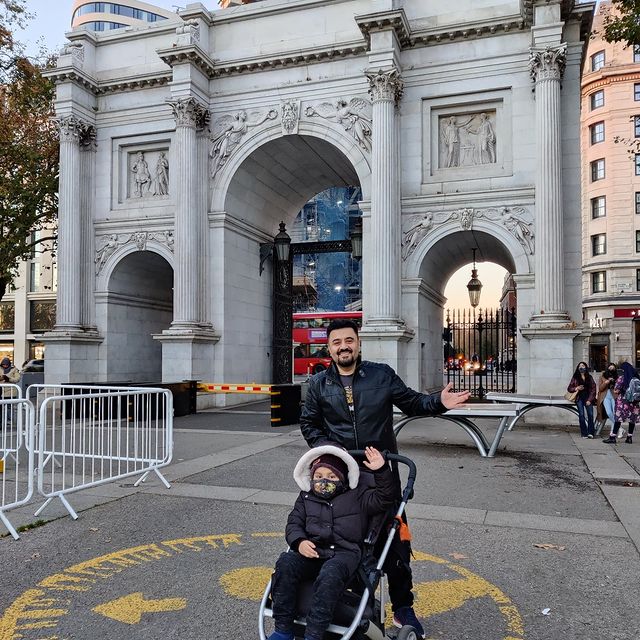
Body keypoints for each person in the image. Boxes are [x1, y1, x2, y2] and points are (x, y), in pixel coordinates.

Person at [299, 318, 469, 638]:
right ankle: (349, 600)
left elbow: (412, 401)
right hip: (343, 476)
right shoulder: (319, 384)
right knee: (344, 539)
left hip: (382, 473)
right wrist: (336, 452)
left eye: (349, 340)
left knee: (396, 544)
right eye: (337, 342)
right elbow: (310, 425)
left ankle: (403, 606)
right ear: (330, 347)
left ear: (358, 343)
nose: (344, 346)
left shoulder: (381, 375)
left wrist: (439, 403)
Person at [268, 445, 395, 640]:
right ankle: (283, 629)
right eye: (318, 476)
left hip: (344, 554)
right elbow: (294, 523)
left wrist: (381, 470)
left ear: (343, 478)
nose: (324, 481)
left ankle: (314, 634)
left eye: (332, 476)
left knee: (331, 573)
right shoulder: (306, 496)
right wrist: (299, 541)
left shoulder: (358, 496)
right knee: (285, 563)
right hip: (312, 551)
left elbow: (385, 498)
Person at [602, 362, 639, 445]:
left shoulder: (622, 378)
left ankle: (612, 437)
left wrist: (619, 390)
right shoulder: (636, 377)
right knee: (632, 420)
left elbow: (616, 390)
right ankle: (629, 438)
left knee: (618, 419)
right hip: (634, 403)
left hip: (623, 402)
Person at [566, 362, 596, 438]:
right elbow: (569, 388)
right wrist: (576, 388)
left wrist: (590, 400)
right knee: (581, 415)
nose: (581, 367)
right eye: (580, 366)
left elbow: (593, 389)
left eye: (583, 366)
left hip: (588, 397)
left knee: (590, 415)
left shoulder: (589, 377)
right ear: (578, 368)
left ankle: (591, 433)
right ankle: (584, 433)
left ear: (586, 367)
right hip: (579, 398)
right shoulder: (575, 377)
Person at [595, 363, 618, 436]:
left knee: (615, 414)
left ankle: (612, 432)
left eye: (613, 368)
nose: (611, 370)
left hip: (614, 396)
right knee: (609, 413)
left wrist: (614, 382)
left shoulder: (617, 377)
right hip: (605, 396)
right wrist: (606, 382)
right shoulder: (602, 376)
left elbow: (619, 388)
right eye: (610, 368)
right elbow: (600, 388)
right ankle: (619, 428)